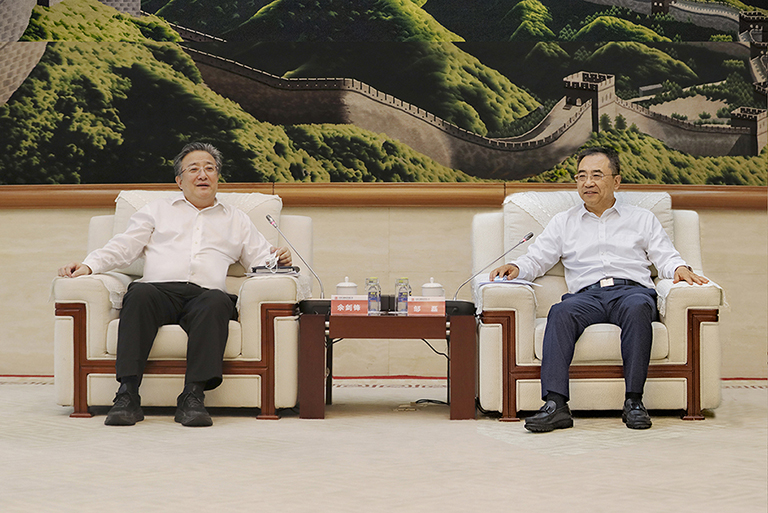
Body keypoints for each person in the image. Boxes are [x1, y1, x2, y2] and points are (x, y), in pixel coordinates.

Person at [58, 142, 292, 427]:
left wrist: (277, 260)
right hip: (158, 292)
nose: (202, 174)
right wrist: (89, 265)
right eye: (193, 169)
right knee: (139, 292)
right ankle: (127, 394)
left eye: (210, 168)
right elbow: (124, 247)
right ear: (179, 180)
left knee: (219, 300)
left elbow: (260, 260)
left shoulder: (236, 219)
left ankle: (193, 397)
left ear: (218, 177)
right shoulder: (156, 210)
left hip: (205, 297)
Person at [489, 147, 709, 432]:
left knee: (639, 308)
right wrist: (516, 267)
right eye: (581, 176)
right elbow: (537, 258)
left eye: (596, 175)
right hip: (587, 296)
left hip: (630, 292)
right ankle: (555, 404)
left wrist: (679, 268)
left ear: (616, 181)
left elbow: (665, 255)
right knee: (560, 312)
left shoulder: (641, 218)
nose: (588, 183)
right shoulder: (564, 222)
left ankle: (634, 401)